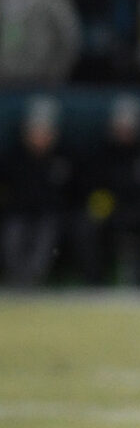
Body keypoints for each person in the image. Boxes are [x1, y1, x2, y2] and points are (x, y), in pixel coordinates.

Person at [78, 94, 140, 287]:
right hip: (111, 211)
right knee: (85, 228)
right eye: (120, 126)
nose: (124, 132)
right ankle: (95, 285)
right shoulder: (102, 152)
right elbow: (92, 186)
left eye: (129, 127)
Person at [1, 96, 76, 287]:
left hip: (49, 214)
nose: (40, 136)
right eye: (35, 131)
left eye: (45, 131)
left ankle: (33, 280)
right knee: (13, 233)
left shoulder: (64, 157)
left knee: (47, 233)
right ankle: (17, 279)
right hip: (19, 212)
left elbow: (75, 191)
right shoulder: (14, 157)